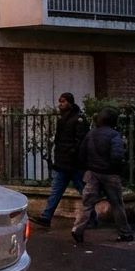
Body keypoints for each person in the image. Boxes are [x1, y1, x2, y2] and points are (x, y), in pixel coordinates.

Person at [72, 107, 132, 244]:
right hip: (110, 175)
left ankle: (77, 229)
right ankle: (125, 232)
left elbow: (81, 154)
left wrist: (89, 166)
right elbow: (117, 157)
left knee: (87, 204)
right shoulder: (114, 135)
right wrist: (115, 170)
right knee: (117, 204)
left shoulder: (91, 134)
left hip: (92, 173)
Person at [34, 93, 91, 228]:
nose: (60, 104)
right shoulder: (63, 119)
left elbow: (81, 140)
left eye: (63, 102)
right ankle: (46, 217)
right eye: (60, 102)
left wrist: (73, 153)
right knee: (56, 191)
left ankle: (93, 217)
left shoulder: (79, 120)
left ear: (70, 103)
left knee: (83, 191)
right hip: (61, 163)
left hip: (75, 164)